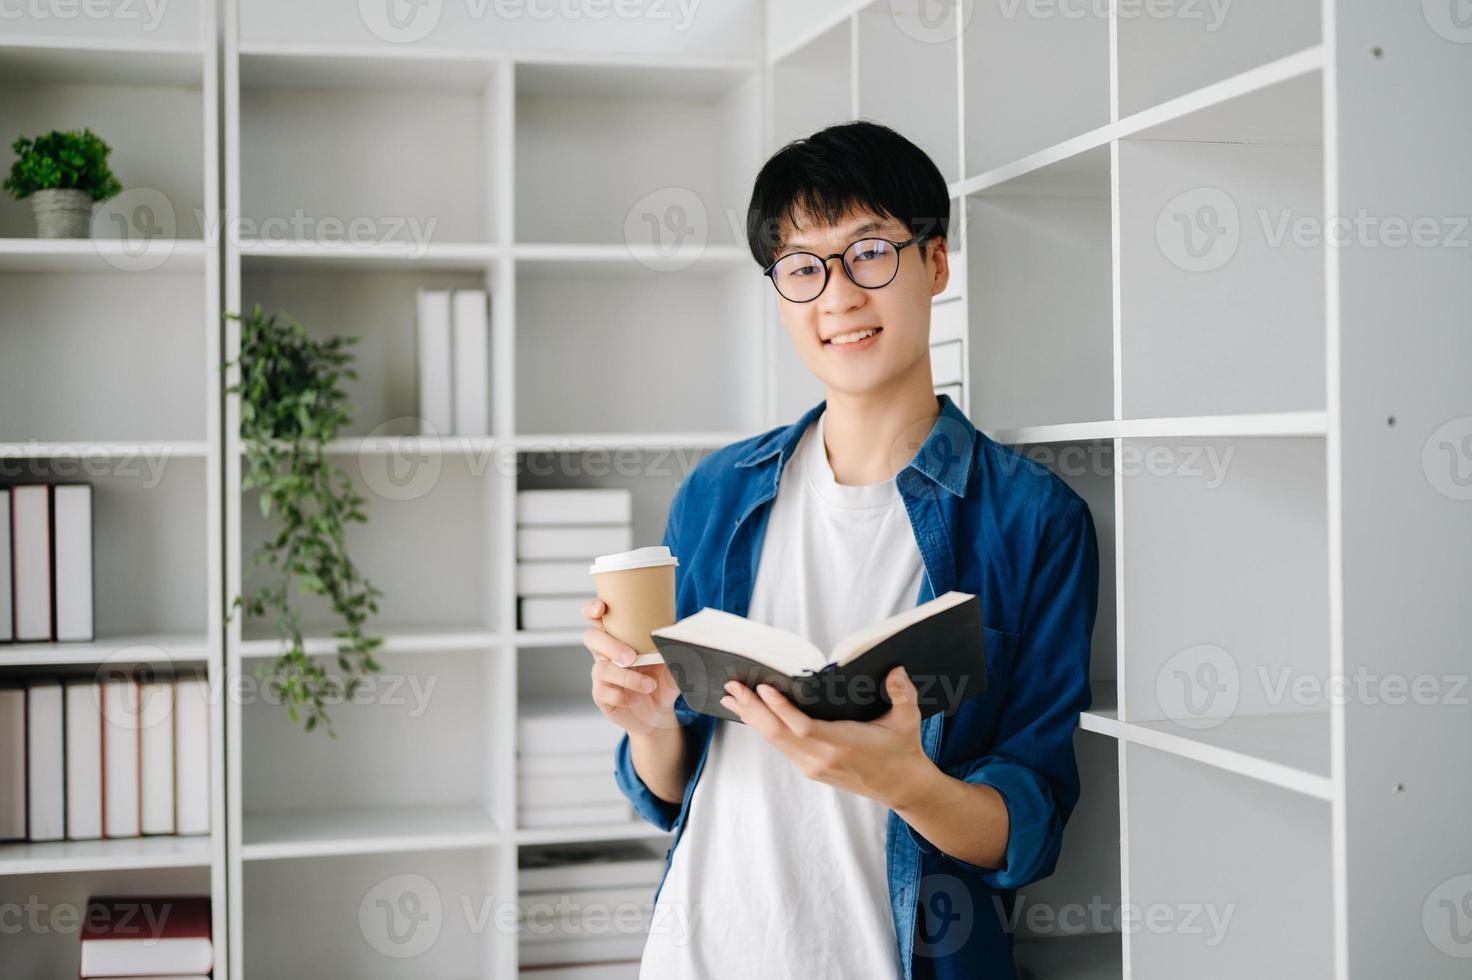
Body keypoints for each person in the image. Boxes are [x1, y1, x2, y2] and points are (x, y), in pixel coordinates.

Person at [582, 120, 1100, 980]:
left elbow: (1031, 827)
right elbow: (671, 792)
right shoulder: (714, 496)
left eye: (869, 253)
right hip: (698, 954)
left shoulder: (1032, 519)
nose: (839, 297)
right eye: (802, 267)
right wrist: (646, 728)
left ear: (935, 262)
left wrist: (907, 782)